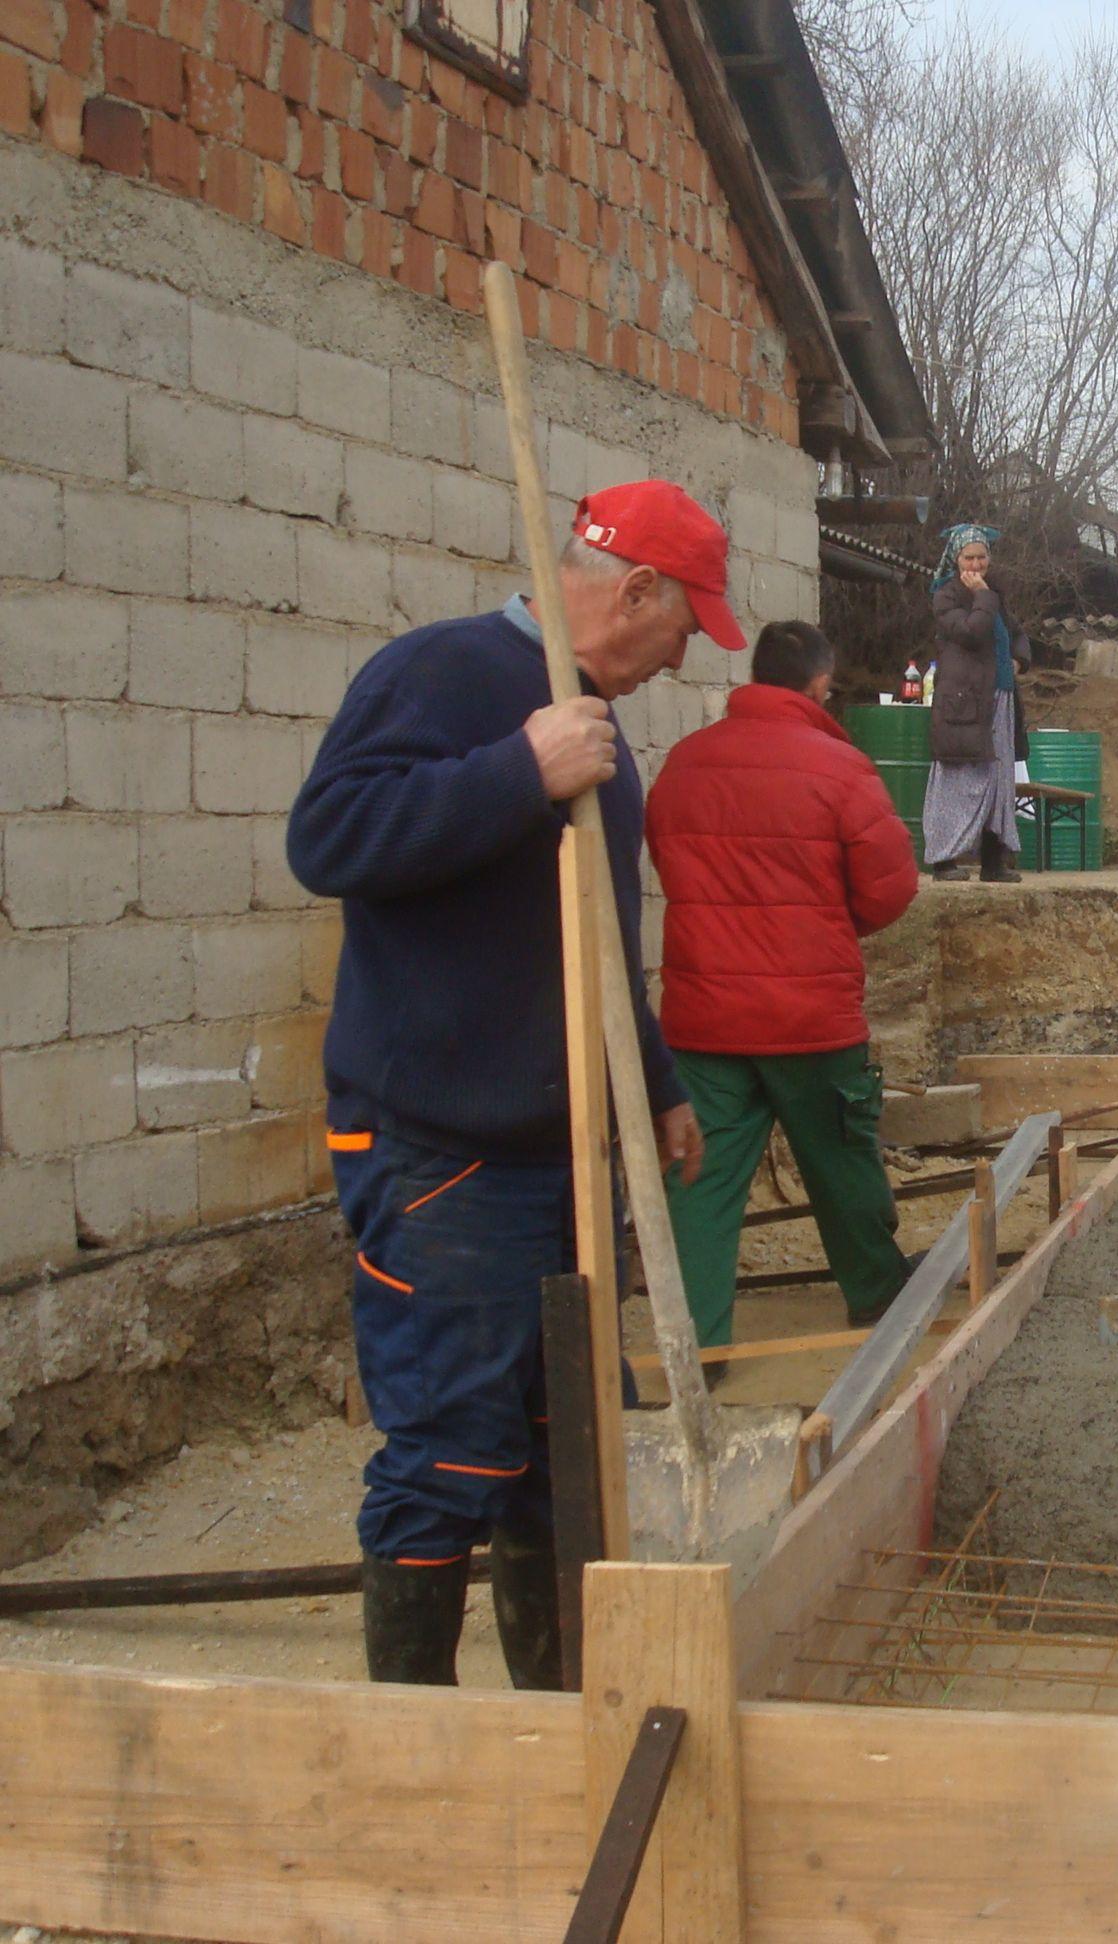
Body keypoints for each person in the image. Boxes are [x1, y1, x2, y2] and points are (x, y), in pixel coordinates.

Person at [286, 480, 736, 1687]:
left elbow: (591, 944)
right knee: (449, 1452)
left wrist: (655, 1082)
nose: (685, 652)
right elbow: (327, 838)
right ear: (635, 590)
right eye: (685, 624)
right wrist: (514, 772)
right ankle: (420, 1748)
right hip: (443, 1153)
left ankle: (553, 1721)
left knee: (559, 1452)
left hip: (562, 1152)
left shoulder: (595, 725)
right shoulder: (442, 674)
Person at [646, 620, 921, 1354]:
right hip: (810, 1016)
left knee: (700, 1180)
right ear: (818, 685)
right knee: (842, 1164)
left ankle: (694, 1347)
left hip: (704, 1016)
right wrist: (829, 926)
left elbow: (668, 864)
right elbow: (890, 887)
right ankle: (876, 1296)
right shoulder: (839, 767)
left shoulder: (683, 762)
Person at [923, 526, 1032, 883]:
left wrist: (1019, 658)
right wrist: (983, 596)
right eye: (969, 557)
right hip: (965, 702)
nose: (976, 564)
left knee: (998, 780)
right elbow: (972, 631)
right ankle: (943, 860)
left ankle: (993, 861)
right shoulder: (947, 596)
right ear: (956, 559)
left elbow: (1013, 632)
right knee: (958, 777)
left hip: (999, 698)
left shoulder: (993, 592)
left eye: (981, 556)